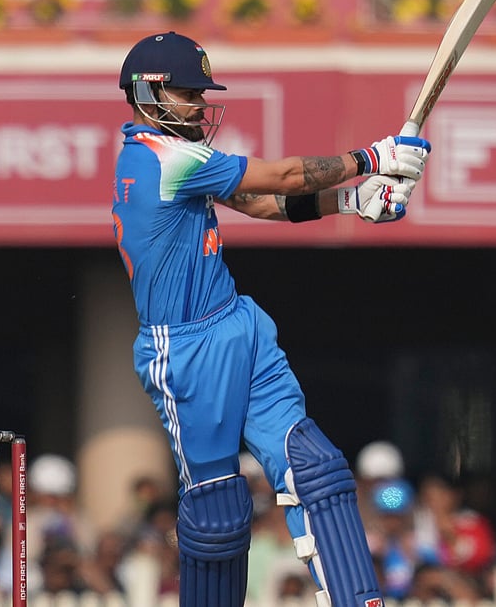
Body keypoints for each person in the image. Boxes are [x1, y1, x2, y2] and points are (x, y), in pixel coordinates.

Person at [111, 31, 429, 607]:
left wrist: (353, 200)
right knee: (218, 514)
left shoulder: (182, 158)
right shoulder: (160, 157)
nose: (201, 106)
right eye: (189, 93)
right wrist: (370, 159)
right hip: (184, 350)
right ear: (148, 93)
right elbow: (281, 179)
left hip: (239, 324)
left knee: (316, 467)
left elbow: (258, 204)